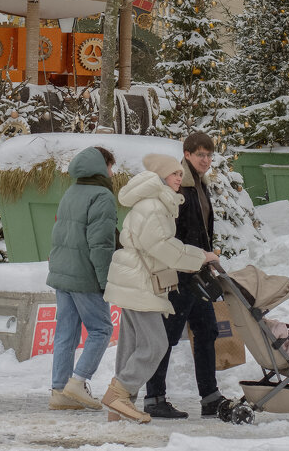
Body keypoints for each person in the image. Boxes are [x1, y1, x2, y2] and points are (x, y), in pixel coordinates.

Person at [101, 153, 219, 423]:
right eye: (175, 174)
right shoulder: (154, 207)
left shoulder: (155, 203)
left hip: (134, 279)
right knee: (156, 343)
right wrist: (201, 256)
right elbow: (164, 248)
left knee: (131, 345)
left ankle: (120, 403)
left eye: (180, 173)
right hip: (140, 282)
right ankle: (120, 394)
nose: (180, 178)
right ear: (162, 177)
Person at [142, 132, 229, 419]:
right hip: (180, 275)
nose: (206, 160)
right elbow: (172, 233)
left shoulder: (199, 185)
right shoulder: (179, 186)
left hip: (198, 273)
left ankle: (210, 396)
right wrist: (186, 261)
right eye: (200, 154)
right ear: (187, 154)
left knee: (207, 331)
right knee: (167, 335)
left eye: (209, 155)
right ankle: (154, 397)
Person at [45, 146, 118, 411]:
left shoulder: (71, 192)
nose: (112, 172)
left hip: (63, 273)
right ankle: (78, 381)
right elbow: (100, 244)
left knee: (66, 332)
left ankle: (59, 390)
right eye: (110, 167)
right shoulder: (102, 196)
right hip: (85, 275)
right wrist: (105, 281)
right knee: (101, 329)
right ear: (102, 167)